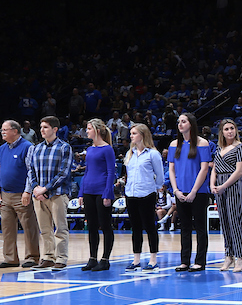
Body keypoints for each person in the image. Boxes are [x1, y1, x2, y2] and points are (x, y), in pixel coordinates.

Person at [24, 116, 73, 269]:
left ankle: (61, 258)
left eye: (45, 127)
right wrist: (36, 189)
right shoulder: (36, 148)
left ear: (55, 129)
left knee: (60, 228)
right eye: (41, 127)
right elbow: (30, 170)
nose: (42, 130)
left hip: (57, 194)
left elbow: (64, 173)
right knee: (45, 229)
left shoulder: (64, 147)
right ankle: (48, 257)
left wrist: (45, 188)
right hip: (38, 196)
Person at [168, 112, 214, 272]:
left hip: (199, 192)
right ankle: (184, 261)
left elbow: (204, 169)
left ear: (191, 124)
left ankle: (200, 261)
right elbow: (171, 169)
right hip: (180, 191)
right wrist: (175, 190)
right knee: (184, 227)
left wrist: (194, 191)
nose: (180, 124)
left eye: (183, 121)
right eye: (179, 122)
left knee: (200, 227)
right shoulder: (174, 144)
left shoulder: (202, 143)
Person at [0, 120, 40, 269]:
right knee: (6, 228)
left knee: (29, 226)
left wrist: (27, 191)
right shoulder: (1, 148)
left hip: (22, 194)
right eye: (2, 130)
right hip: (5, 194)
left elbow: (31, 171)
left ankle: (32, 256)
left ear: (15, 131)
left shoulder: (28, 147)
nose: (3, 132)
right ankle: (10, 258)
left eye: (5, 130)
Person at [208, 118, 242, 272]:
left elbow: (239, 171)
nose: (230, 131)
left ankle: (240, 257)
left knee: (235, 222)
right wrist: (213, 185)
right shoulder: (219, 149)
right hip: (219, 187)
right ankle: (228, 255)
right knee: (224, 222)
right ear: (222, 132)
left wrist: (224, 185)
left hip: (232, 186)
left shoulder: (240, 147)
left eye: (232, 128)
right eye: (226, 129)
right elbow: (214, 169)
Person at [123, 123, 163, 273]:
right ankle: (136, 259)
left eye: (134, 133)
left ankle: (153, 259)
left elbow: (159, 175)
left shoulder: (153, 154)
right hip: (131, 194)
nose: (131, 136)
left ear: (142, 135)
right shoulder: (130, 153)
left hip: (147, 194)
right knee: (135, 228)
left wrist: (155, 188)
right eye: (131, 133)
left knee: (150, 227)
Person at [80, 118, 117, 271]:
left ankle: (105, 258)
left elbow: (111, 172)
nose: (86, 131)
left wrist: (107, 193)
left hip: (101, 191)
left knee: (105, 225)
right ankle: (92, 257)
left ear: (96, 130)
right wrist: (81, 192)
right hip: (88, 190)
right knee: (92, 226)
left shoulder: (107, 149)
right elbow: (87, 171)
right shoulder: (89, 149)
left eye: (88, 128)